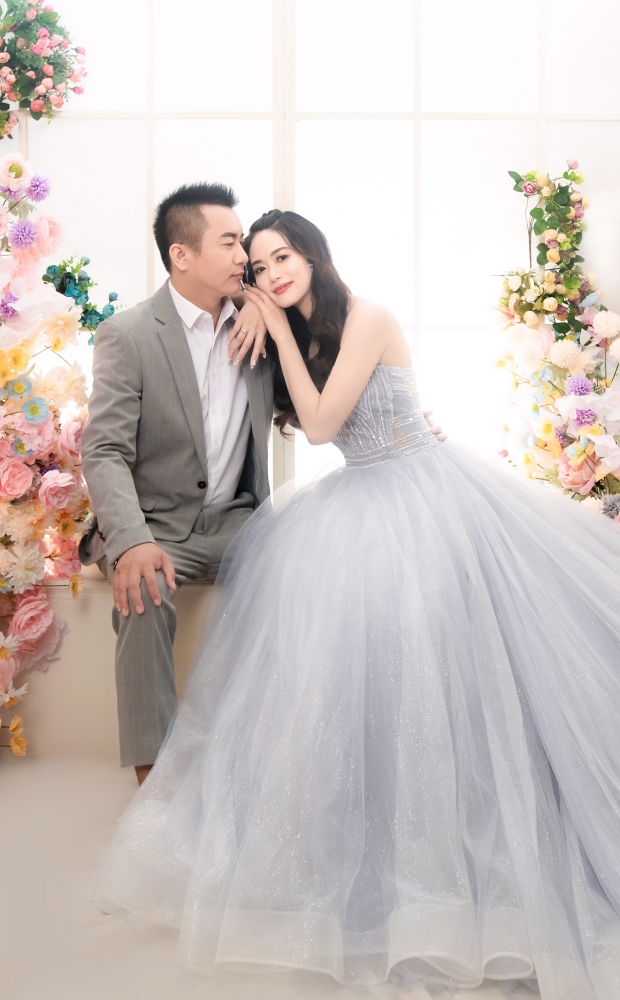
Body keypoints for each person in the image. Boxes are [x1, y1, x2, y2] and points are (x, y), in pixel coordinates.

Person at [95, 209, 620, 999]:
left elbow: (319, 425)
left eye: (283, 257)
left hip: (425, 494)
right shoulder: (295, 336)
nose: (271, 274)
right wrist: (262, 324)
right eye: (258, 266)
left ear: (313, 255)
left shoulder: (367, 317)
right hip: (359, 499)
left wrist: (272, 324)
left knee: (439, 645)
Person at [78, 183, 274, 783]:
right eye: (230, 242)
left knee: (321, 576)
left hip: (239, 522)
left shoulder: (263, 325)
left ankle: (271, 764)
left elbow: (333, 360)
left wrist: (263, 307)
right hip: (156, 524)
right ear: (181, 254)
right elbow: (104, 449)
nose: (244, 256)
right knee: (143, 592)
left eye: (243, 242)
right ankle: (155, 785)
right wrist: (132, 540)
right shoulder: (130, 333)